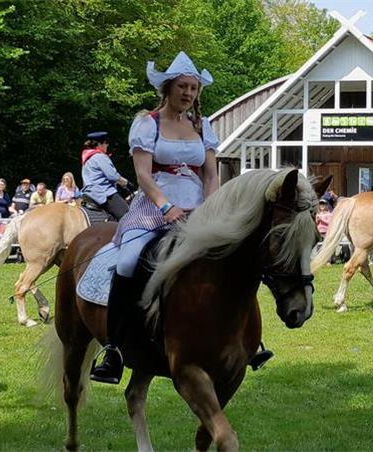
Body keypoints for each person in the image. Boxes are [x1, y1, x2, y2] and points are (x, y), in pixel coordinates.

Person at [91, 51, 219, 384]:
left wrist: (212, 207)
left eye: (193, 88)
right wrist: (167, 207)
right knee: (129, 260)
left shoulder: (203, 126)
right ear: (167, 88)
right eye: (183, 86)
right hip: (154, 206)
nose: (188, 93)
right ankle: (114, 348)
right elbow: (143, 176)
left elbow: (210, 175)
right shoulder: (147, 123)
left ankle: (245, 337)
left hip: (197, 208)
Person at [80, 132, 132, 220]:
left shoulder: (87, 158)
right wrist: (127, 183)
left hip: (88, 193)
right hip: (103, 193)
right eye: (106, 143)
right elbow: (113, 176)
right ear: (99, 144)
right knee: (129, 218)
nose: (107, 145)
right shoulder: (100, 157)